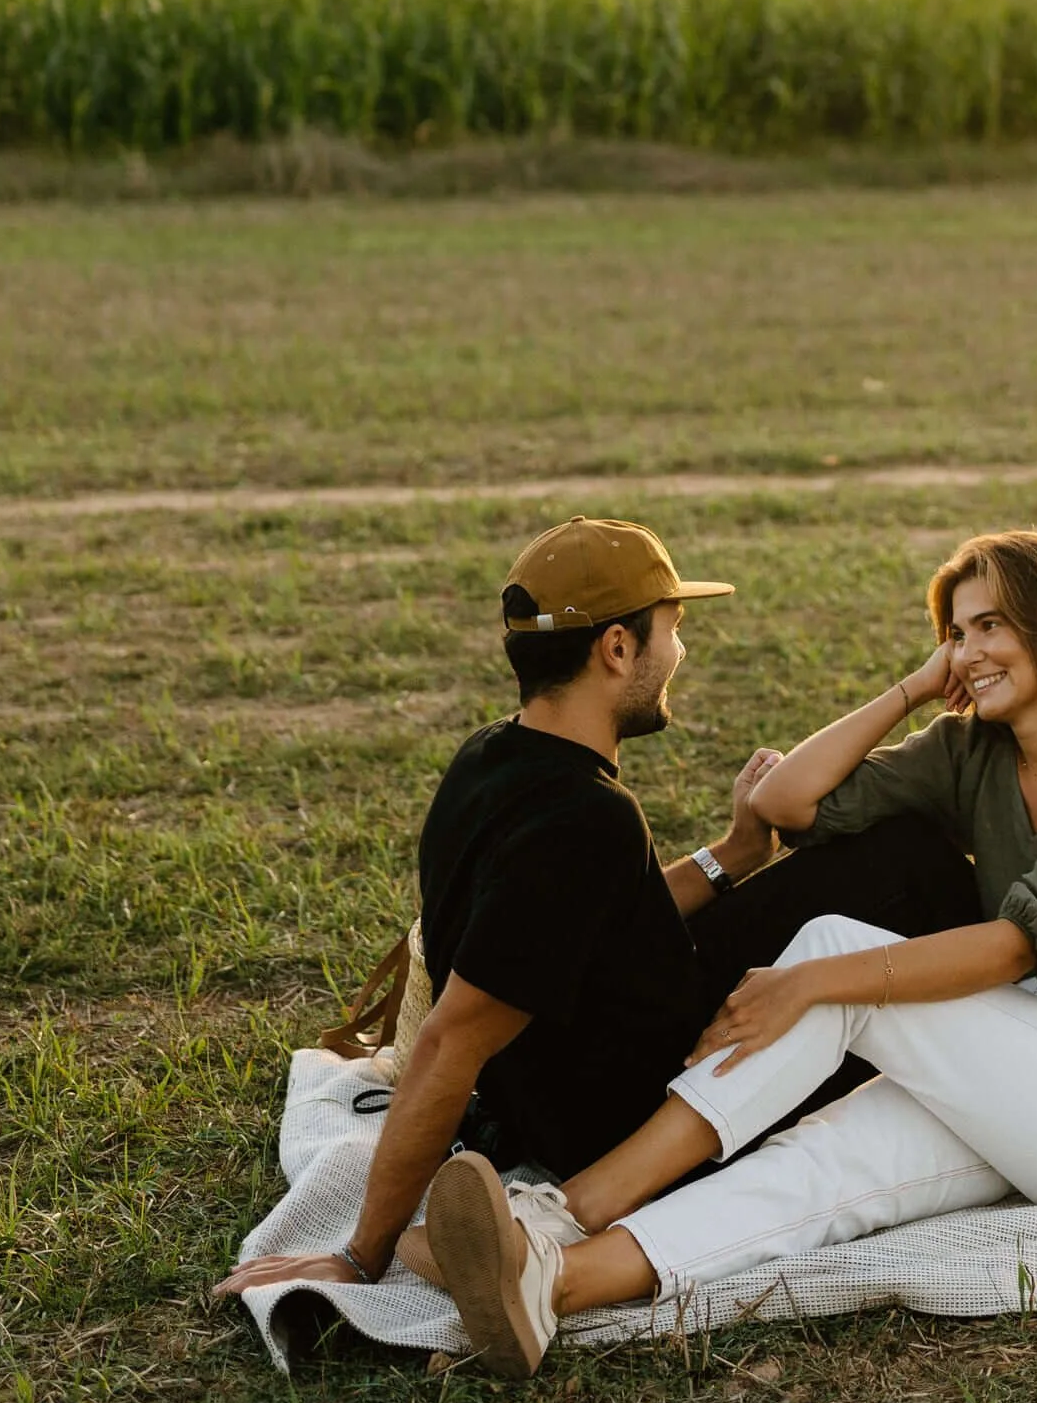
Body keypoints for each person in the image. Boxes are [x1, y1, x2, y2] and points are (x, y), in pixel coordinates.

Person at [405, 529, 1037, 1380]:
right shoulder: (974, 749)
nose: (968, 651)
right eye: (954, 633)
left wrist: (813, 982)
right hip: (1022, 1061)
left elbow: (1017, 944)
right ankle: (554, 1284)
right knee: (822, 1170)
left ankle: (567, 1208)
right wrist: (911, 691)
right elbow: (789, 807)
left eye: (991, 626)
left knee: (833, 957)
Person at [214, 515, 983, 1322]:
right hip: (632, 1110)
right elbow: (451, 1039)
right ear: (618, 649)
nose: (680, 653)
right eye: (672, 631)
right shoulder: (581, 820)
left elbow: (607, 924)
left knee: (888, 857)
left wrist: (735, 853)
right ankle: (1015, 1034)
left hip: (598, 1048)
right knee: (914, 868)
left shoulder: (494, 757)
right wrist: (359, 1255)